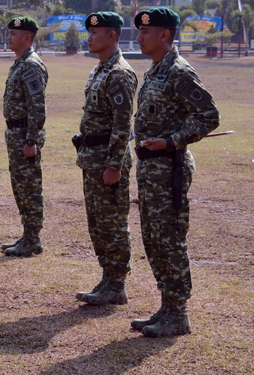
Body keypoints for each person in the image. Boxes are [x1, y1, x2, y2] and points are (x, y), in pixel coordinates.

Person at [130, 7, 219, 338]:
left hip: (170, 168)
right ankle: (166, 307)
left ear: (164, 35)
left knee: (170, 240)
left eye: (145, 32)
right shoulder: (155, 71)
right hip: (151, 169)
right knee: (153, 239)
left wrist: (171, 140)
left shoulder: (180, 72)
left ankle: (179, 314)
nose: (139, 37)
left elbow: (209, 116)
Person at [73, 12, 137, 306]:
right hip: (92, 160)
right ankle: (107, 279)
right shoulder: (99, 69)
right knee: (97, 223)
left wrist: (114, 165)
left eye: (94, 33)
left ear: (111, 36)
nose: (89, 37)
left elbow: (123, 124)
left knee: (112, 223)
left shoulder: (119, 73)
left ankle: (117, 284)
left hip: (107, 163)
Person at [0, 17, 47, 257]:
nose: (9, 37)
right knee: (20, 186)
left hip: (24, 136)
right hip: (16, 133)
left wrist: (31, 141)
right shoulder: (21, 63)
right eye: (9, 33)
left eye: (13, 34)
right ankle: (28, 235)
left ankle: (33, 238)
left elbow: (37, 107)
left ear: (27, 38)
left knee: (29, 187)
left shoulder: (31, 65)